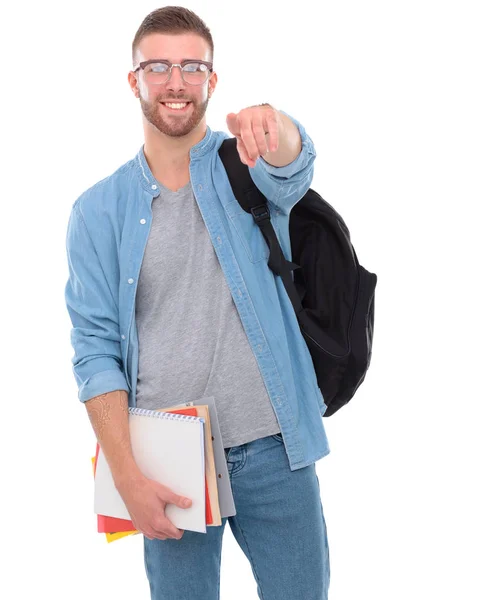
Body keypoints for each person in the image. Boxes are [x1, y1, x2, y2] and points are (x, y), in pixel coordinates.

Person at [64, 5, 330, 599]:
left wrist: (275, 123)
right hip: (165, 458)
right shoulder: (96, 211)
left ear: (213, 79)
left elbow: (296, 162)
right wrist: (128, 476)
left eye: (192, 66)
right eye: (158, 66)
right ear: (133, 80)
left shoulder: (248, 165)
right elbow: (94, 350)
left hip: (273, 447)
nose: (176, 81)